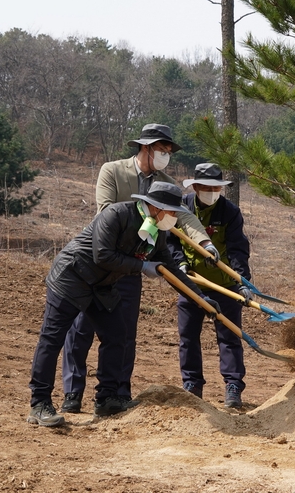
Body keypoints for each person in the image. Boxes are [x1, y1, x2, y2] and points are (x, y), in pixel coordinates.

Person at [60, 123, 215, 414]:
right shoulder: (113, 171)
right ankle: (72, 392)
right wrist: (146, 216)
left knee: (124, 333)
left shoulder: (166, 183)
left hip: (137, 265)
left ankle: (117, 392)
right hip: (101, 261)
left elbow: (185, 218)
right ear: (145, 148)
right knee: (81, 330)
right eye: (161, 150)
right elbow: (106, 210)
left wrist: (204, 243)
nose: (165, 156)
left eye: (168, 152)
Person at [27, 182, 192, 426]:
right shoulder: (116, 214)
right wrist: (142, 266)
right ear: (156, 207)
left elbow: (169, 266)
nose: (174, 217)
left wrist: (198, 296)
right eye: (172, 211)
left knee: (117, 335)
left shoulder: (157, 231)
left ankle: (107, 399)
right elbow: (102, 254)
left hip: (102, 286)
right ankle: (39, 404)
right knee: (52, 339)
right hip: (72, 277)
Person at [171, 163, 252, 408]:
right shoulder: (181, 207)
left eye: (216, 187)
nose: (212, 191)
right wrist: (180, 264)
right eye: (206, 187)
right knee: (188, 337)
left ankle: (233, 386)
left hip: (224, 285)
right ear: (195, 187)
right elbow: (171, 242)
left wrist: (242, 281)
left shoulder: (230, 212)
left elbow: (238, 249)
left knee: (230, 337)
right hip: (192, 283)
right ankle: (192, 384)